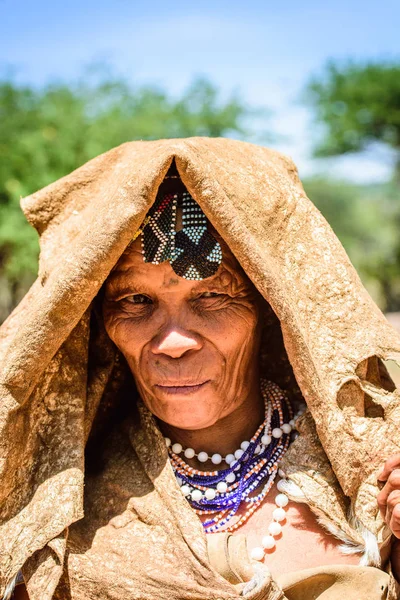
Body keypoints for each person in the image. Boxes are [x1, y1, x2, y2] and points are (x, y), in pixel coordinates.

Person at [1, 137, 400, 600]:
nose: (173, 342)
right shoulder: (53, 513)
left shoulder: (371, 476)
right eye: (135, 300)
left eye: (211, 296)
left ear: (269, 307)